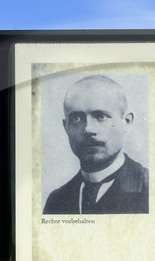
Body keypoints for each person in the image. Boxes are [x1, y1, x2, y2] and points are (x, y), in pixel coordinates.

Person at [43, 74, 148, 214]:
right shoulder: (56, 201)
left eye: (101, 116)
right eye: (76, 118)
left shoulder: (152, 189)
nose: (88, 129)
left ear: (126, 122)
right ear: (65, 127)